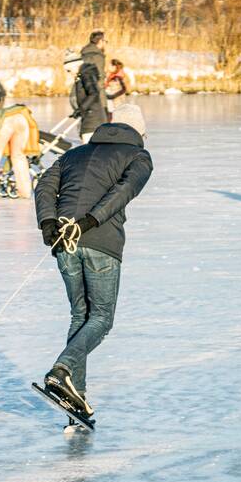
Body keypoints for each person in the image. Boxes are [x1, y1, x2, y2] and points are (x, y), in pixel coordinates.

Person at [35, 103, 153, 429]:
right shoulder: (139, 157)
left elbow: (44, 184)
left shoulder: (74, 153)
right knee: (100, 318)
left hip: (64, 242)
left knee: (80, 316)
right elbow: (124, 191)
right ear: (139, 132)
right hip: (99, 242)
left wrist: (48, 223)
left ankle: (75, 395)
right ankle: (62, 370)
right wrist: (89, 222)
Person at [64, 51, 106, 144]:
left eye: (69, 70)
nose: (69, 73)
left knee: (88, 149)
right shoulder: (81, 75)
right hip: (88, 118)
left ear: (74, 66)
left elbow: (94, 93)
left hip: (92, 119)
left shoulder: (86, 74)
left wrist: (81, 109)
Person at [81, 30, 108, 112]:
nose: (106, 44)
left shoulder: (85, 53)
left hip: (85, 95)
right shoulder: (97, 56)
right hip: (97, 96)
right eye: (105, 41)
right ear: (100, 41)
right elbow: (99, 77)